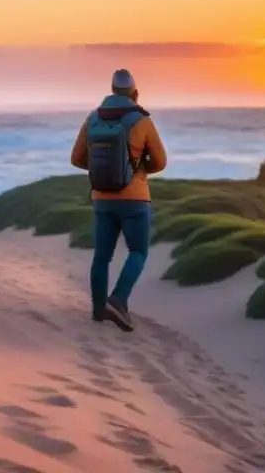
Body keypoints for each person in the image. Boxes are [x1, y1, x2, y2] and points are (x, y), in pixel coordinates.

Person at [70, 69, 167, 332]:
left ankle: (98, 310)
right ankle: (119, 299)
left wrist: (102, 169)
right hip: (135, 199)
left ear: (112, 91)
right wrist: (137, 167)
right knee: (138, 251)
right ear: (135, 94)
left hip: (101, 197)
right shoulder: (141, 121)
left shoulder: (94, 117)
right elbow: (160, 161)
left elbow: (77, 158)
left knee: (102, 257)